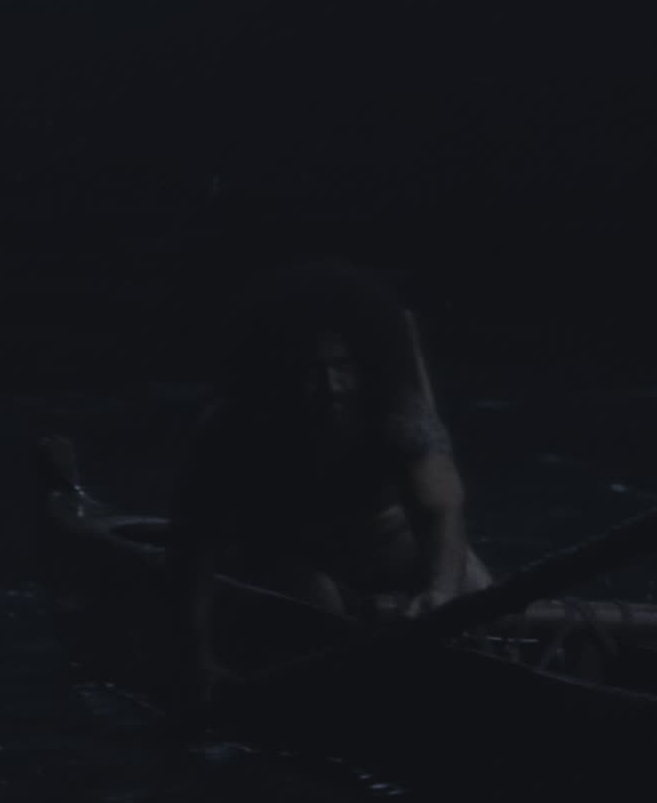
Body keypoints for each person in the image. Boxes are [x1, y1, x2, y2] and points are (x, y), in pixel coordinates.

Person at [166, 263, 494, 672]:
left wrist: (441, 592)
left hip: (389, 544)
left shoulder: (398, 414)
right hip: (287, 554)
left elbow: (441, 510)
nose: (331, 387)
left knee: (476, 593)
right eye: (310, 370)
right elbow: (193, 544)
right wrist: (195, 650)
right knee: (317, 610)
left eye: (343, 366)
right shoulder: (231, 428)